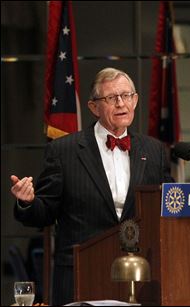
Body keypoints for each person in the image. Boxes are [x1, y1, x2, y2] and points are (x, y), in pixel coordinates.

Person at [11, 67, 174, 305]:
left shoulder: (154, 151)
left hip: (138, 278)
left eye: (126, 96)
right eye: (111, 98)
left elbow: (164, 209)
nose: (121, 103)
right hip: (80, 276)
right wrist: (27, 202)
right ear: (94, 107)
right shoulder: (64, 151)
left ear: (136, 101)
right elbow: (45, 212)